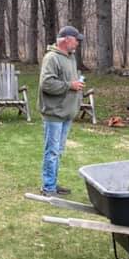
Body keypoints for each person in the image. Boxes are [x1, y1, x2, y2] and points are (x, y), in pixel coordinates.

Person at [38, 25, 85, 196]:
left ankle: (52, 183)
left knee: (58, 151)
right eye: (76, 40)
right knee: (51, 151)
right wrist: (69, 85)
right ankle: (48, 187)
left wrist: (75, 84)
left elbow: (69, 81)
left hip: (66, 113)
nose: (78, 43)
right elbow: (47, 84)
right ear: (66, 39)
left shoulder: (70, 57)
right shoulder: (51, 58)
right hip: (54, 113)